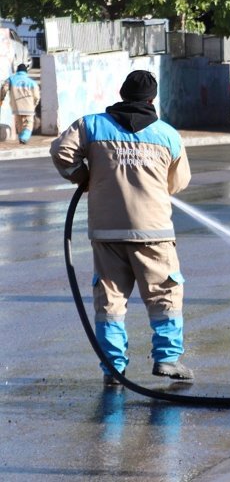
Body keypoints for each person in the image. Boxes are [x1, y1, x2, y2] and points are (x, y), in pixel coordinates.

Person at [49, 70, 193, 385]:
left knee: (110, 300)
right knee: (164, 293)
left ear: (122, 93)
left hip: (106, 231)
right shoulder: (167, 134)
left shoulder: (92, 125)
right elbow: (179, 183)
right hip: (153, 233)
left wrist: (81, 176)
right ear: (152, 99)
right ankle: (167, 360)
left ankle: (113, 368)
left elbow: (61, 152)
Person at [0, 63, 40, 144]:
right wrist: (34, 104)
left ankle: (21, 138)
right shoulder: (31, 82)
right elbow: (36, 96)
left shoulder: (11, 79)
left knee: (19, 124)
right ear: (26, 71)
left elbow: (4, 88)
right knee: (28, 124)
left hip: (16, 107)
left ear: (17, 71)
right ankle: (23, 138)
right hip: (29, 107)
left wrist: (1, 97)